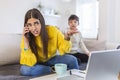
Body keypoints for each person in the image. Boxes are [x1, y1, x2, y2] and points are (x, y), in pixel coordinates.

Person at [20, 8, 79, 76]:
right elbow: (28, 62)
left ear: (41, 22)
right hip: (36, 62)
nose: (33, 28)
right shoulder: (26, 37)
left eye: (36, 23)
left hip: (51, 59)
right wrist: (26, 43)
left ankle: (77, 77)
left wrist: (67, 37)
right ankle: (51, 69)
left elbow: (64, 50)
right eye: (30, 25)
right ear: (26, 26)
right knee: (25, 69)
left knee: (72, 59)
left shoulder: (52, 30)